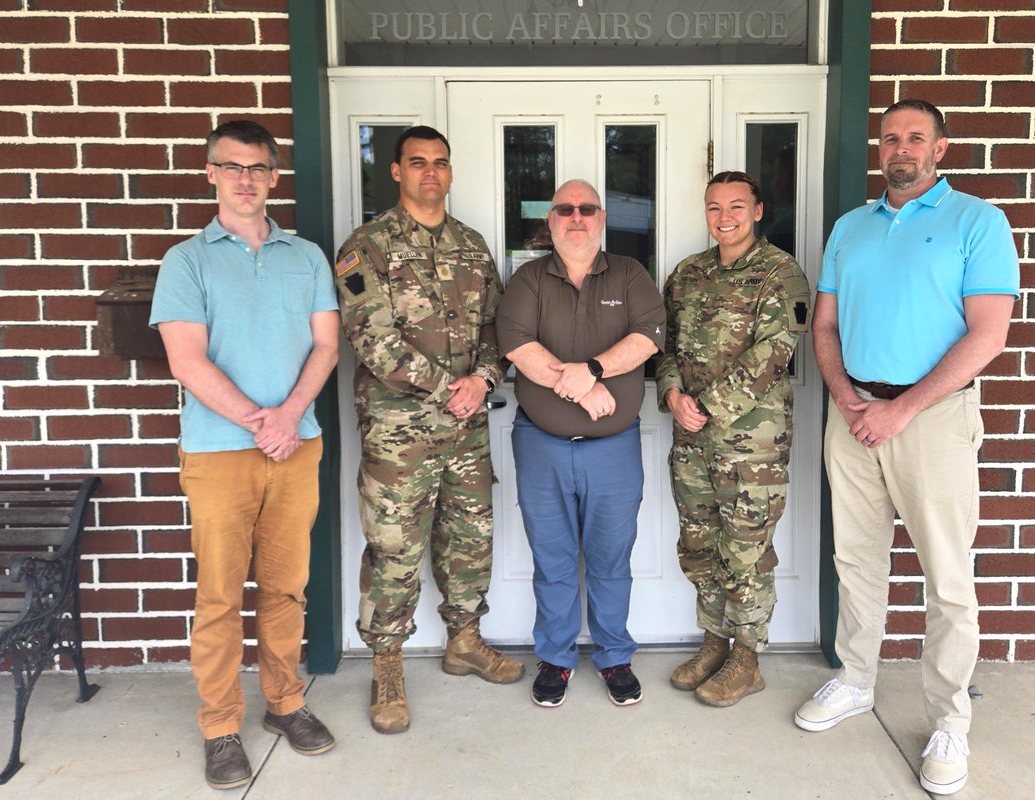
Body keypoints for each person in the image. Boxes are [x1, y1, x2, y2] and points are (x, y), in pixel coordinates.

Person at [794, 99, 1019, 796]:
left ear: (940, 149)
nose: (901, 148)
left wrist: (902, 410)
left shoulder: (977, 222)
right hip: (855, 409)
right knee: (855, 560)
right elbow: (824, 325)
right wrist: (845, 396)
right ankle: (855, 679)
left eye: (915, 137)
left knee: (947, 576)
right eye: (891, 137)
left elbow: (988, 335)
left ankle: (950, 720)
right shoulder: (850, 228)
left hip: (934, 418)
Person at [150, 120, 339, 790]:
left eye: (257, 167)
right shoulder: (187, 261)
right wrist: (259, 423)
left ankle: (285, 704)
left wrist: (288, 418)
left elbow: (326, 345)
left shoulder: (308, 257)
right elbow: (185, 359)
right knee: (221, 595)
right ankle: (221, 726)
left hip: (297, 446)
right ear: (210, 174)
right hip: (219, 453)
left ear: (273, 177)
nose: (245, 179)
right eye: (232, 167)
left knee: (287, 587)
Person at [335, 125, 522, 736]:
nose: (431, 173)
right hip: (399, 435)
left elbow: (501, 328)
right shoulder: (367, 248)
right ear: (396, 172)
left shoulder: (472, 245)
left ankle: (464, 639)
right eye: (418, 163)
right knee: (394, 547)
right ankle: (387, 664)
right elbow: (372, 340)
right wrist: (452, 388)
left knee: (470, 537)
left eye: (440, 163)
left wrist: (486, 378)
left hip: (467, 430)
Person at [496, 179, 665, 708]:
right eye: (565, 209)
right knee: (554, 558)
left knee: (612, 557)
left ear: (602, 218)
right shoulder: (528, 278)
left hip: (613, 448)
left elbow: (648, 336)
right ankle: (556, 657)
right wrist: (581, 388)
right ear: (550, 221)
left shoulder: (630, 274)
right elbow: (517, 345)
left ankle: (615, 657)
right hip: (541, 443)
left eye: (586, 209)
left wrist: (590, 372)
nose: (576, 217)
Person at [656, 170, 810, 707]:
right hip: (692, 440)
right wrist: (674, 396)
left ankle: (747, 659)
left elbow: (774, 353)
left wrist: (709, 408)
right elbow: (665, 345)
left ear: (758, 210)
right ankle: (713, 642)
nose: (725, 217)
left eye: (737, 206)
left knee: (745, 551)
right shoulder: (687, 274)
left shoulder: (779, 273)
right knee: (698, 545)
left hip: (752, 447)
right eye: (715, 207)